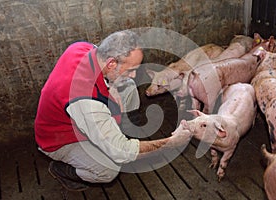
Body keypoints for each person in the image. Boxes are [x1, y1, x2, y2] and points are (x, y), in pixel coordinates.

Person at [34, 30, 191, 191]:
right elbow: (121, 153)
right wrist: (170, 143)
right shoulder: (86, 101)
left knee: (128, 86)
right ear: (111, 64)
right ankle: (62, 170)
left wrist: (111, 87)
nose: (134, 75)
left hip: (76, 113)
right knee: (109, 169)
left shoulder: (82, 48)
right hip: (59, 139)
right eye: (131, 70)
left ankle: (123, 132)